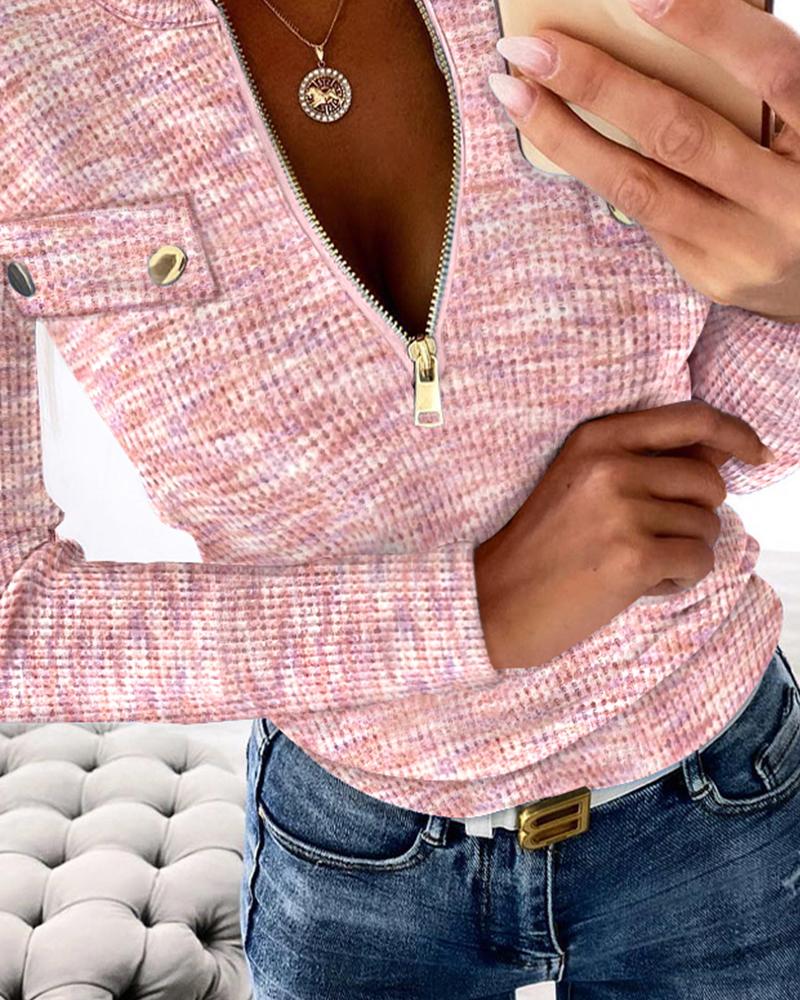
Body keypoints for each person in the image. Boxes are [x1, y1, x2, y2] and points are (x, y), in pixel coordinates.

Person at [1, 0, 799, 996]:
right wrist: (473, 609)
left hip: (717, 799)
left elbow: (715, 458)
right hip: (352, 852)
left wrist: (792, 298)